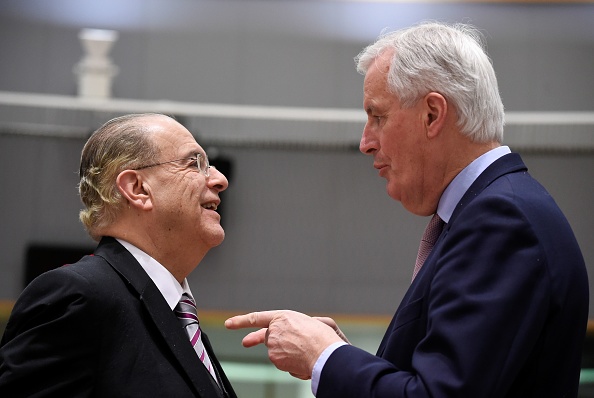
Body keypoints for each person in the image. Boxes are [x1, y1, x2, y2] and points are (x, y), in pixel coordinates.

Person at [225, 22, 589, 397]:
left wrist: (325, 356)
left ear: (432, 114)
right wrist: (346, 358)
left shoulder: (501, 221)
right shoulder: (496, 210)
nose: (365, 142)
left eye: (377, 116)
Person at [0, 113, 237, 398]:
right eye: (194, 163)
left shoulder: (182, 321)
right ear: (138, 189)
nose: (220, 179)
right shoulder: (78, 297)